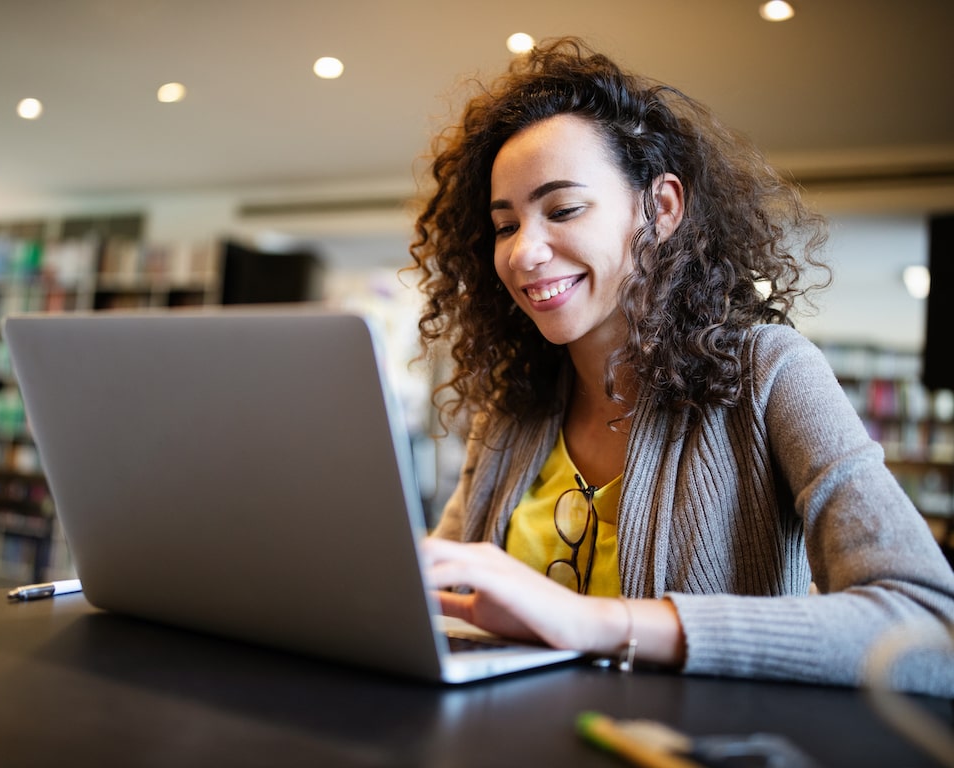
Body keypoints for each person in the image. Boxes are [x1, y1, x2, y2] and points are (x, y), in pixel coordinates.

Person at [408, 37, 954, 696]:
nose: (524, 253)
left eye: (563, 209)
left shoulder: (770, 373)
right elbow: (441, 591)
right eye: (504, 225)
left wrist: (594, 621)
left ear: (661, 208)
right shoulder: (512, 409)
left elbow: (931, 630)